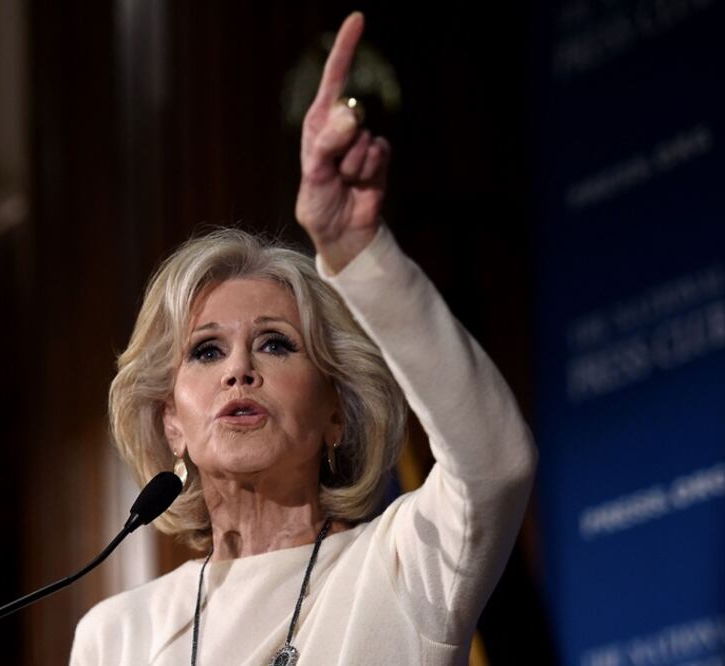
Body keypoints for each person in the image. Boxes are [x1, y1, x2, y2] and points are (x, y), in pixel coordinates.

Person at [71, 12, 536, 666]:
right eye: (206, 350)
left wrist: (357, 250)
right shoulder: (115, 636)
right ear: (171, 421)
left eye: (275, 345)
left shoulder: (404, 568)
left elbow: (496, 461)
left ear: (337, 414)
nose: (238, 370)